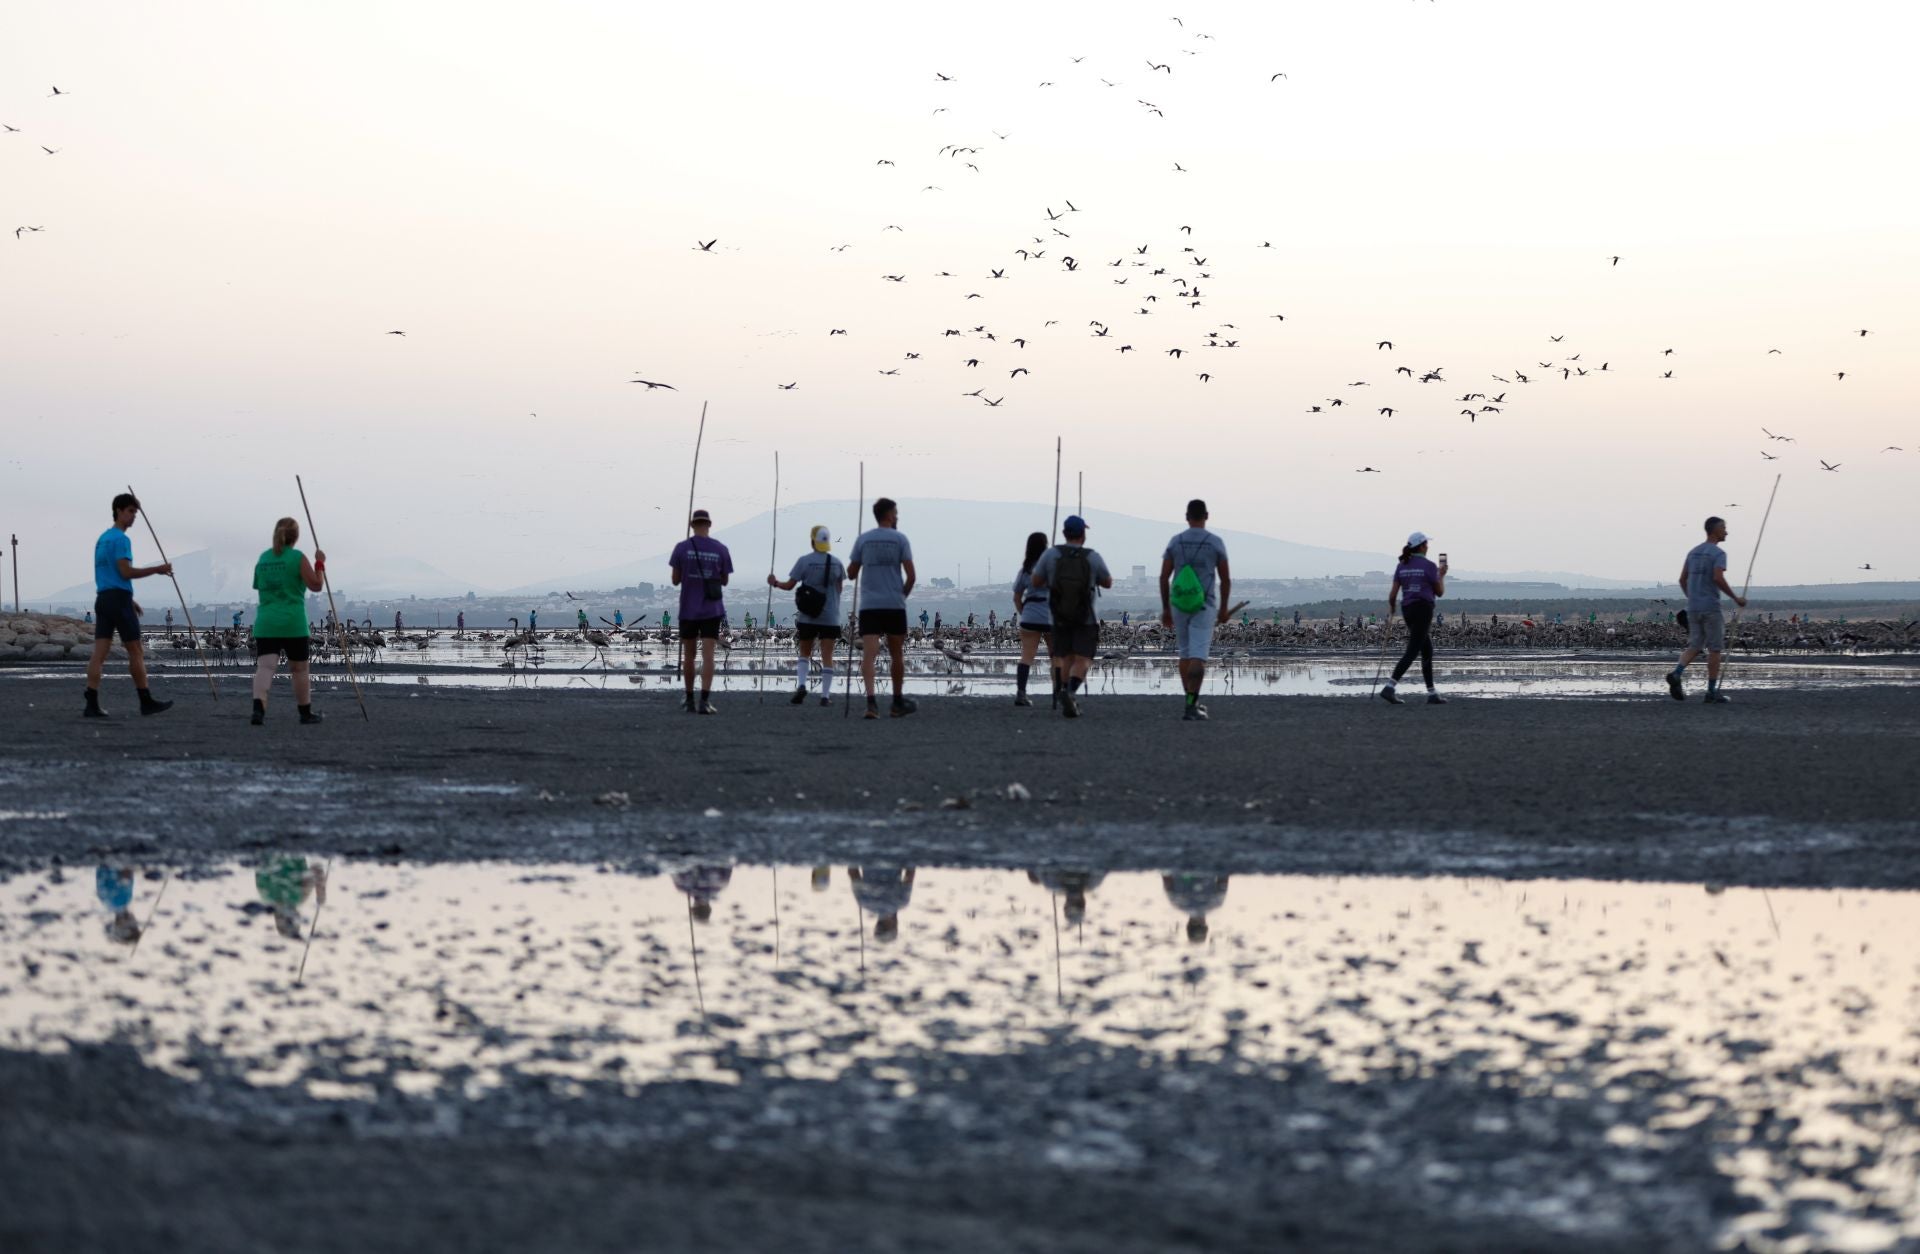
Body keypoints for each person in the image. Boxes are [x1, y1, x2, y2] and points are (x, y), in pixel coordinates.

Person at [84, 493, 173, 718]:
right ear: (119, 511)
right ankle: (145, 701)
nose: (134, 517)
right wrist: (157, 569)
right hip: (117, 599)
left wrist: (129, 600)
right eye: (131, 511)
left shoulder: (102, 539)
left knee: (99, 654)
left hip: (104, 599)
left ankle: (91, 702)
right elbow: (125, 572)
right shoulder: (121, 540)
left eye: (135, 512)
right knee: (136, 651)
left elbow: (108, 575)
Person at [1031, 515, 1113, 719]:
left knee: (1066, 657)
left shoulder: (1051, 555)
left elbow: (1036, 580)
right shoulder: (1092, 557)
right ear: (1083, 535)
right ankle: (1070, 692)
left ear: (1064, 533)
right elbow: (1108, 582)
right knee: (1083, 659)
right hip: (1086, 617)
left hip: (1058, 616)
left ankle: (1064, 691)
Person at [250, 517, 328, 725]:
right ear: (295, 537)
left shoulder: (264, 558)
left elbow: (258, 586)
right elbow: (316, 585)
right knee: (299, 670)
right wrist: (319, 563)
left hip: (266, 622)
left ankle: (258, 709)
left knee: (265, 667)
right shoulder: (297, 558)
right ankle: (305, 713)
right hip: (293, 622)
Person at [1159, 499, 1231, 722]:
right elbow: (1225, 579)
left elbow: (1164, 577)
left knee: (1185, 653)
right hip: (1204, 604)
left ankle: (1190, 701)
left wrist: (1166, 609)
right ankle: (1192, 704)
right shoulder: (1215, 543)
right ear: (1206, 516)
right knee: (1198, 656)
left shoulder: (1176, 541)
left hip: (1179, 604)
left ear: (1187, 517)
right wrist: (1224, 609)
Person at [847, 497, 918, 719]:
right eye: (895, 512)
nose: (897, 516)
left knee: (870, 654)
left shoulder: (864, 540)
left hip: (869, 606)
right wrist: (901, 597)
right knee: (897, 654)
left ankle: (871, 704)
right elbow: (911, 576)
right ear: (888, 514)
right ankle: (896, 702)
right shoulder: (900, 539)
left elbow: (851, 573)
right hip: (894, 605)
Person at [1667, 515, 1748, 703]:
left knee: (1695, 645)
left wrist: (1692, 597)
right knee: (1715, 649)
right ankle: (1711, 692)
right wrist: (1736, 598)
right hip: (1711, 608)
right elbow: (1718, 578)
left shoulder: (1693, 552)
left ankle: (1677, 673)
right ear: (1714, 530)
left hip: (1693, 608)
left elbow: (1682, 580)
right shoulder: (1718, 554)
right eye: (1723, 528)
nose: (1726, 532)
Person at [768, 524, 845, 706]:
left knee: (804, 653)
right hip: (831, 617)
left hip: (808, 617)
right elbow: (839, 589)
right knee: (827, 656)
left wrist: (775, 582)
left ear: (812, 541)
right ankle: (825, 696)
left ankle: (802, 685)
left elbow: (789, 586)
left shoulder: (804, 561)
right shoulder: (837, 563)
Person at [670, 509, 733, 714]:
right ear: (709, 524)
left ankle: (689, 699)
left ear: (692, 525)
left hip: (688, 608)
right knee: (708, 656)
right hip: (712, 609)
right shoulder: (720, 549)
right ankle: (705, 701)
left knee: (689, 656)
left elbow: (675, 580)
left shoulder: (682, 548)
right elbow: (724, 580)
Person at [1381, 531, 1448, 706]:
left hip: (1407, 609)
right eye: (1426, 544)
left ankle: (1432, 693)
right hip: (1423, 609)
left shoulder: (1402, 565)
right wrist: (1441, 575)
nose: (1428, 547)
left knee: (1426, 649)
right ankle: (1389, 687)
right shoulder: (1429, 566)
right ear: (1422, 546)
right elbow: (1439, 592)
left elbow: (1393, 594)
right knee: (1413, 650)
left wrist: (1393, 607)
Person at [1010, 531, 1056, 708]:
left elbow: (1016, 597)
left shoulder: (1025, 570)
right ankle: (1057, 694)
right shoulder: (1052, 569)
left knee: (1027, 656)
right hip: (1051, 616)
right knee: (1056, 657)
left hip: (1029, 616)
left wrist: (1025, 613)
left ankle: (1021, 694)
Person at [849, 865, 915, 942]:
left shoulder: (902, 901)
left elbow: (910, 872)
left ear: (892, 926)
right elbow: (852, 871)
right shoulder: (863, 901)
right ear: (877, 925)